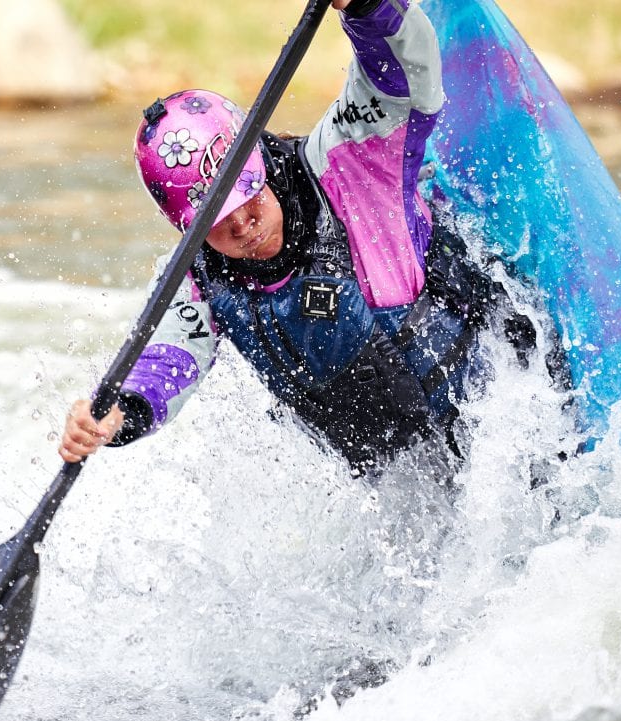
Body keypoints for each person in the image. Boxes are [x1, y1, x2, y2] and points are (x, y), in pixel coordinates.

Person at [59, 0, 540, 474]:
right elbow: (167, 360)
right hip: (403, 481)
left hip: (510, 417)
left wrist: (367, 9)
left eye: (246, 195)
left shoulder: (347, 165)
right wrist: (116, 415)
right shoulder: (194, 280)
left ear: (260, 165)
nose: (241, 223)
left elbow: (403, 84)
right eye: (216, 219)